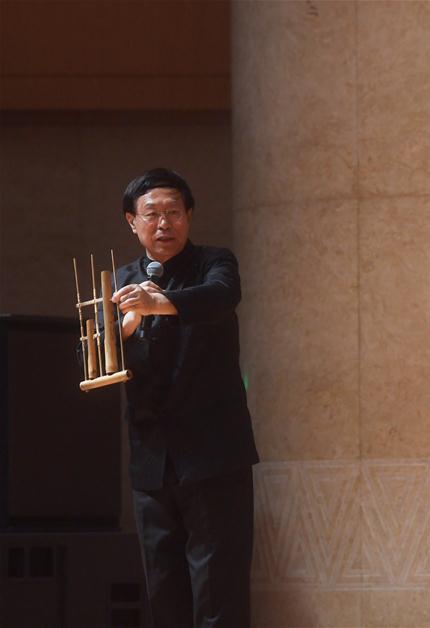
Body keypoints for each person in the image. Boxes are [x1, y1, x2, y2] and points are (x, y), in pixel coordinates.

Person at [109, 168, 259, 627]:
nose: (164, 223)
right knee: (163, 587)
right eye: (151, 214)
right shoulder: (120, 280)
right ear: (131, 222)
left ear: (189, 216)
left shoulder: (214, 263)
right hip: (152, 461)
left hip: (215, 455)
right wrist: (124, 328)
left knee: (220, 588)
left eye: (174, 212)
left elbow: (221, 296)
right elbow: (94, 354)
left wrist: (159, 305)